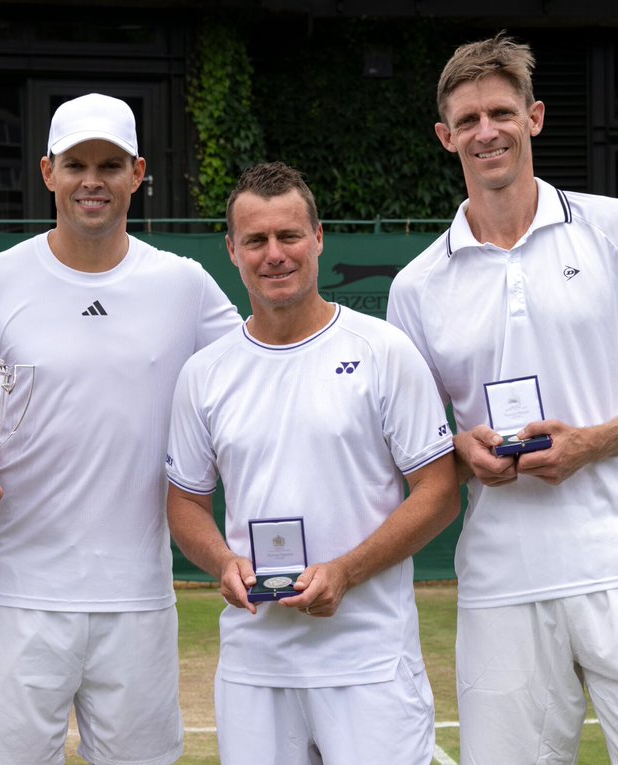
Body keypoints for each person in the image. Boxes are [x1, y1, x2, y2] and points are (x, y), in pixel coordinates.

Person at [386, 33, 618, 764]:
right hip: (502, 585)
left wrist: (590, 443)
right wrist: (462, 448)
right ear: (446, 137)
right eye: (468, 121)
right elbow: (417, 445)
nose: (487, 132)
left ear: (534, 117)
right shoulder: (415, 287)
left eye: (501, 112)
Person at [0, 93, 241, 765]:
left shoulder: (183, 284)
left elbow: (255, 376)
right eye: (76, 164)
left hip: (138, 596)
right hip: (15, 596)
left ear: (137, 172)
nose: (92, 180)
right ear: (48, 172)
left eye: (109, 164)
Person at [166, 162, 459, 764]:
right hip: (255, 667)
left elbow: (439, 490)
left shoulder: (382, 350)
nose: (274, 254)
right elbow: (185, 503)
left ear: (319, 237)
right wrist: (222, 562)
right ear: (232, 250)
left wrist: (346, 571)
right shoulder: (205, 373)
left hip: (369, 663)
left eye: (289, 236)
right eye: (256, 240)